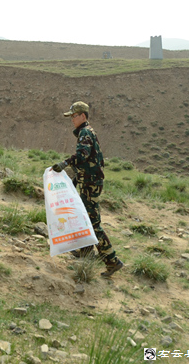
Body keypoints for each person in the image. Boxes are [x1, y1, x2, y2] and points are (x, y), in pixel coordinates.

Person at [51, 101, 124, 277]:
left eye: (74, 116)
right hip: (89, 181)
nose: (72, 120)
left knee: (93, 223)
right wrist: (77, 177)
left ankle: (112, 261)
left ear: (83, 116)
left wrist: (65, 163)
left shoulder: (85, 132)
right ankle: (85, 252)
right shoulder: (87, 132)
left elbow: (83, 155)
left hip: (91, 184)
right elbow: (91, 159)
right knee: (85, 218)